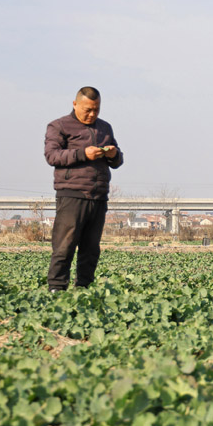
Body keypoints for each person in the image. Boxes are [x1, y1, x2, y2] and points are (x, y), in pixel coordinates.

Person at [44, 86, 124, 291]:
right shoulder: (59, 126)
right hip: (72, 194)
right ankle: (56, 289)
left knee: (91, 249)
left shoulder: (105, 128)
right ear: (75, 104)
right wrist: (82, 154)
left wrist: (113, 154)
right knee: (64, 246)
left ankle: (84, 288)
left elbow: (118, 161)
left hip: (98, 195)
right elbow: (52, 156)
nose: (92, 114)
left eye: (96, 109)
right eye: (88, 109)